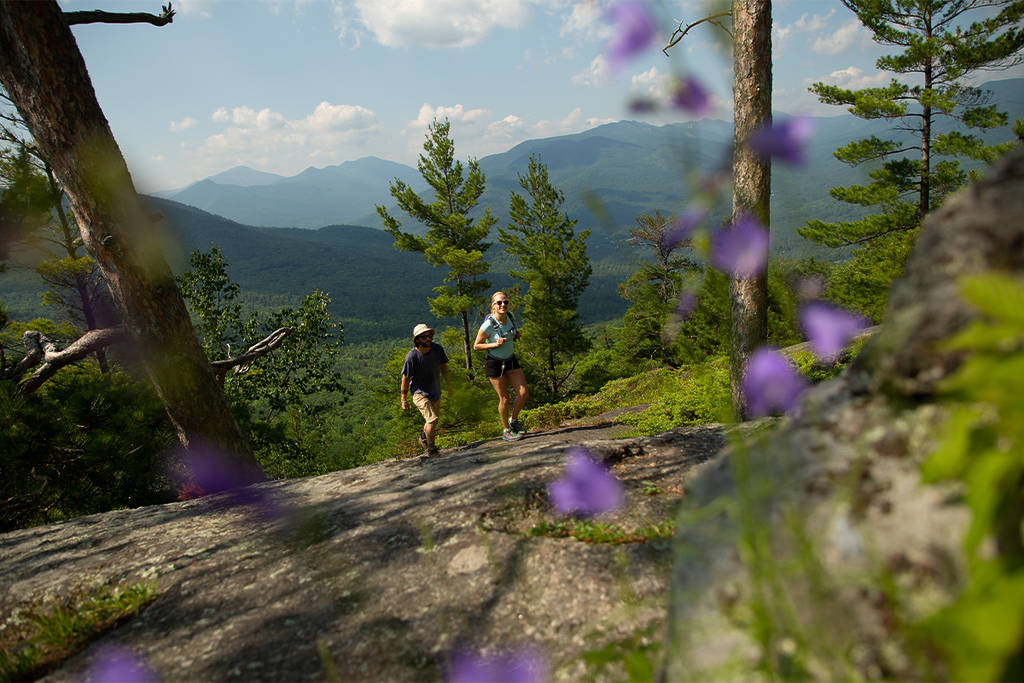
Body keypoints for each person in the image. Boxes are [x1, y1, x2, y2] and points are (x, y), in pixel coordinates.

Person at [473, 291, 529, 441]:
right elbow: (476, 346)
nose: (503, 305)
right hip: (494, 363)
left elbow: (510, 332)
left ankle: (514, 421)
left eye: (505, 302)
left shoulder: (510, 317)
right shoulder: (488, 325)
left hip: (510, 359)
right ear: (493, 306)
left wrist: (515, 335)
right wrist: (494, 344)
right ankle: (506, 430)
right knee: (504, 399)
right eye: (499, 303)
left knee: (523, 393)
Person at [400, 323, 451, 456]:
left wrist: (450, 386)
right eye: (424, 337)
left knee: (432, 421)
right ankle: (431, 449)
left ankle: (423, 438)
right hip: (419, 393)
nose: (428, 339)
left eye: (429, 336)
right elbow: (405, 379)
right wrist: (403, 400)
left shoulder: (437, 349)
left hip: (435, 391)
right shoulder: (411, 357)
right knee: (432, 420)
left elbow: (444, 368)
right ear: (417, 340)